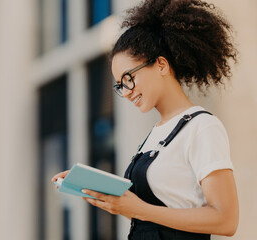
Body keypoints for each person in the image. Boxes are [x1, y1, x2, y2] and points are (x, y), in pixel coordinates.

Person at [51, 0, 239, 239]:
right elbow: (155, 219)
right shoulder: (156, 134)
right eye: (120, 85)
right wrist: (105, 195)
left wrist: (140, 209)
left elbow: (225, 220)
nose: (126, 91)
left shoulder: (202, 127)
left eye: (129, 78)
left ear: (161, 64)